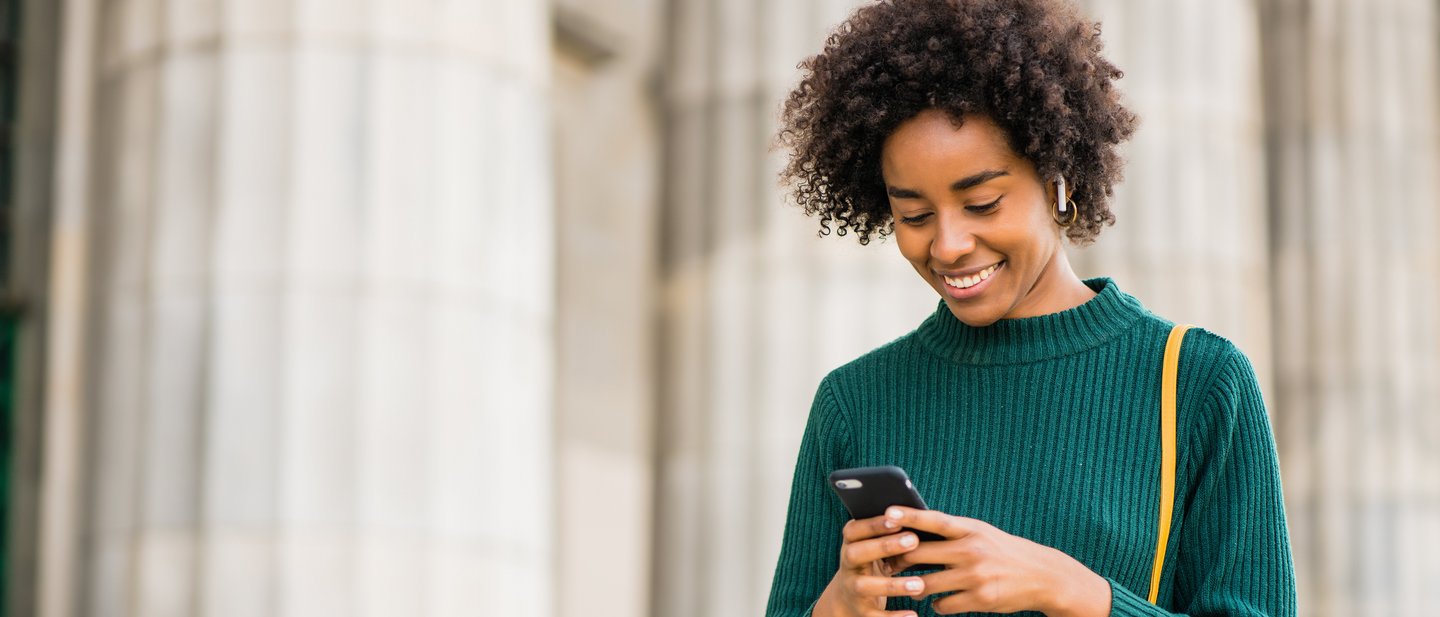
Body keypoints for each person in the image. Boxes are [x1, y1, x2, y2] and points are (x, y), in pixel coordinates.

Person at [764, 1, 1297, 616]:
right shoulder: (854, 402)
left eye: (983, 203)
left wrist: (1075, 592)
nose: (947, 245)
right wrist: (837, 607)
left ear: (1057, 177)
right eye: (913, 215)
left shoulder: (1199, 382)